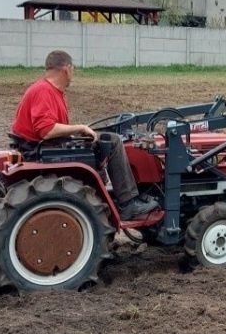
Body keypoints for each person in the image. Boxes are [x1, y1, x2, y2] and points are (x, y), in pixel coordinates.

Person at [10, 50, 158, 220]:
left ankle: (108, 189)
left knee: (99, 141)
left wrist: (79, 131)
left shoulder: (48, 90)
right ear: (66, 69)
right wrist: (79, 128)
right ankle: (128, 203)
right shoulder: (45, 91)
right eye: (73, 69)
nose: (73, 74)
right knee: (114, 141)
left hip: (39, 146)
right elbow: (47, 130)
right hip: (40, 149)